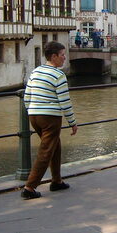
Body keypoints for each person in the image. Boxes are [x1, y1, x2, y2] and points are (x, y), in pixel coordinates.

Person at [23, 41, 78, 199]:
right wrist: (72, 122)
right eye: (62, 55)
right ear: (53, 56)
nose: (64, 58)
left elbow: (27, 97)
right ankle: (30, 187)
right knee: (45, 151)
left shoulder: (36, 72)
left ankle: (56, 180)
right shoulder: (58, 75)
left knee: (55, 145)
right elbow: (65, 102)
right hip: (50, 117)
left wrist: (31, 111)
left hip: (34, 115)